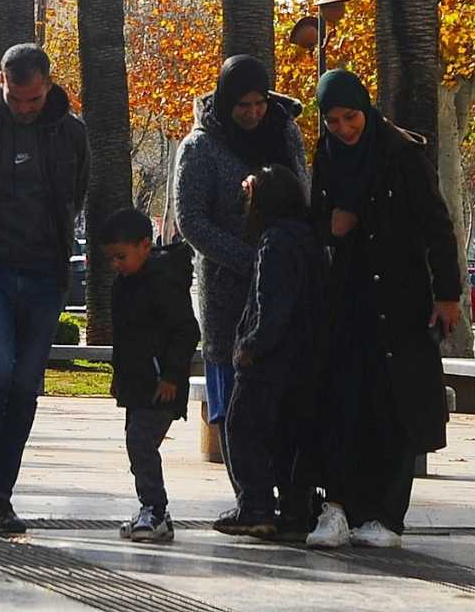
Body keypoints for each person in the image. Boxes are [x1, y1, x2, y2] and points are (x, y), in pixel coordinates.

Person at [310, 69, 462, 550]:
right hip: (345, 298)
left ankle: (387, 516)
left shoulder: (401, 155)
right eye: (332, 121)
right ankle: (336, 507)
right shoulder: (328, 154)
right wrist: (330, 226)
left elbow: (437, 228)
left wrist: (447, 295)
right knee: (342, 402)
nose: (343, 129)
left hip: (398, 301)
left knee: (393, 407)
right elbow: (316, 217)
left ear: (365, 110)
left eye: (350, 117)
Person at [0, 42, 89, 534]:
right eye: (16, 99)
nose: (25, 109)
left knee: (26, 382)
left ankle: (3, 491)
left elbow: (78, 193)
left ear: (48, 85)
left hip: (46, 271)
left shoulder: (71, 133)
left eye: (33, 99)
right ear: (0, 83)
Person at [172, 55, 307, 480]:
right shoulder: (200, 147)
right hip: (227, 293)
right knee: (231, 400)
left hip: (284, 286)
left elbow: (302, 193)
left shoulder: (284, 132)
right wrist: (250, 261)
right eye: (242, 105)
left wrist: (284, 260)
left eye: (259, 104)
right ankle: (249, 498)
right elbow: (191, 220)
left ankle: (286, 496)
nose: (252, 114)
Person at [214, 165, 328, 543]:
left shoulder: (274, 242)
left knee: (242, 427)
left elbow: (272, 304)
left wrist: (251, 346)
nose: (244, 203)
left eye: (249, 195)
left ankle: (255, 506)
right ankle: (296, 510)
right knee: (287, 437)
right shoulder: (308, 239)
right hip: (304, 358)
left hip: (270, 360)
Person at [97, 206, 199, 545]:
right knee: (138, 446)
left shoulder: (162, 280)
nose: (116, 265)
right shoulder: (123, 285)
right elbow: (126, 339)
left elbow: (186, 330)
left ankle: (154, 509)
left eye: (121, 256)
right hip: (136, 385)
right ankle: (153, 509)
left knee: (140, 442)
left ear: (145, 245)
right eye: (112, 259)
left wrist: (171, 375)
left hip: (161, 386)